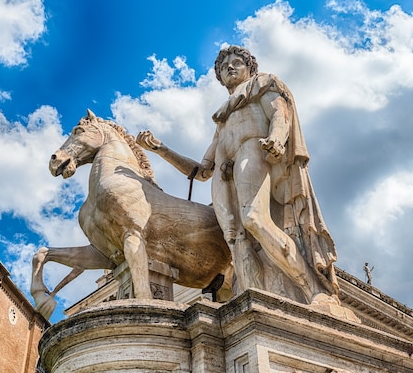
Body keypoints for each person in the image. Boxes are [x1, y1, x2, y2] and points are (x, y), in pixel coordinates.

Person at [137, 46, 338, 303]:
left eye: (236, 62)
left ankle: (313, 291)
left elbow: (279, 113)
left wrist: (277, 138)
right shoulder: (223, 119)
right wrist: (161, 149)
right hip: (224, 170)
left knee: (254, 219)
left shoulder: (261, 85)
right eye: (223, 67)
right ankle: (254, 299)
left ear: (249, 67)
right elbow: (201, 171)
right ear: (220, 78)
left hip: (253, 149)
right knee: (235, 238)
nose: (229, 67)